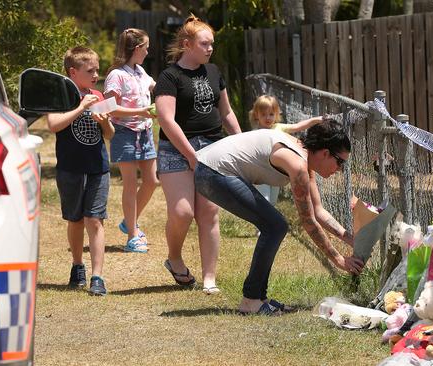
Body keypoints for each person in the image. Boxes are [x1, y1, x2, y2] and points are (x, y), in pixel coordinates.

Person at [194, 120, 364, 315]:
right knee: (275, 226)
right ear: (325, 153)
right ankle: (251, 300)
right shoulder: (297, 164)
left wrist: (350, 239)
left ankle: (258, 298)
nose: (340, 169)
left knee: (274, 226)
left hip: (208, 170)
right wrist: (339, 260)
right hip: (211, 172)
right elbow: (308, 222)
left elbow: (318, 211)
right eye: (340, 162)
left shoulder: (304, 159)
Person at [154, 15, 241, 295]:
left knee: (209, 213)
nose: (210, 49)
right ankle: (175, 257)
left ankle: (209, 278)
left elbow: (226, 113)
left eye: (212, 44)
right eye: (204, 44)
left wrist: (240, 143)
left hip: (212, 148)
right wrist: (191, 155)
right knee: (182, 212)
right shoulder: (169, 76)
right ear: (187, 44)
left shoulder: (214, 72)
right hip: (177, 149)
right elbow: (166, 120)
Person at [46, 46, 115, 296]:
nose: (96, 74)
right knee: (75, 220)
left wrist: (105, 122)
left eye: (97, 69)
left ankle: (98, 276)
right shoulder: (59, 95)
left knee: (95, 219)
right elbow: (53, 125)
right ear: (73, 72)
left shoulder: (97, 94)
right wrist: (80, 107)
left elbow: (109, 135)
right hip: (70, 169)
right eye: (90, 70)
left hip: (98, 167)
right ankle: (78, 267)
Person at [104, 28, 158, 253]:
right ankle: (132, 236)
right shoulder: (117, 75)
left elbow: (157, 87)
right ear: (136, 49)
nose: (148, 51)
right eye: (145, 47)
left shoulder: (140, 72)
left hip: (145, 133)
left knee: (152, 181)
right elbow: (110, 108)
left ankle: (129, 221)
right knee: (129, 183)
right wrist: (142, 111)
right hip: (125, 133)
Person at [248, 94, 322, 207]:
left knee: (272, 202)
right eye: (263, 114)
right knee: (265, 201)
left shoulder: (278, 128)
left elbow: (297, 126)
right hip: (261, 173)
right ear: (256, 115)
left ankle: (268, 222)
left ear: (276, 114)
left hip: (276, 172)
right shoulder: (254, 133)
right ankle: (264, 222)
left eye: (271, 114)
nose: (268, 118)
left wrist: (316, 120)